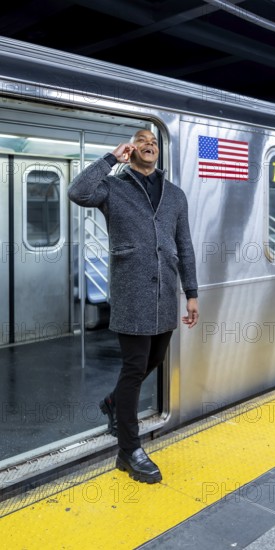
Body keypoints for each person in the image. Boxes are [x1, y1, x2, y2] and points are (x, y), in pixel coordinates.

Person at [68, 129, 199, 484]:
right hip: (131, 294)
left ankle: (113, 404)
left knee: (153, 361)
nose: (149, 144)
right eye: (141, 140)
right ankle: (129, 450)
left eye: (154, 141)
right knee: (134, 367)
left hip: (165, 296)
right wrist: (111, 159)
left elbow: (184, 246)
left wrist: (191, 293)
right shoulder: (113, 188)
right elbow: (77, 191)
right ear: (131, 149)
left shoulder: (175, 195)